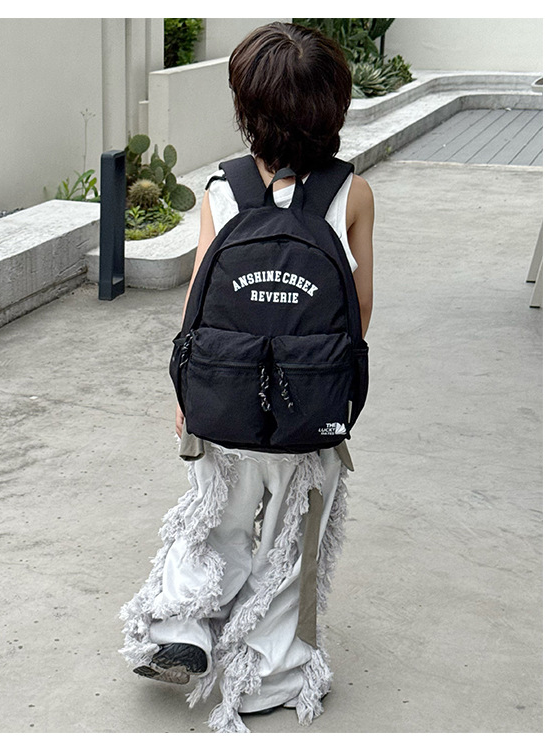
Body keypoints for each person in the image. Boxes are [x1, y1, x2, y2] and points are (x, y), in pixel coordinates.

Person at [119, 21, 374, 733]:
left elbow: (199, 298)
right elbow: (359, 313)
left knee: (215, 517)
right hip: (308, 411)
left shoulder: (221, 189)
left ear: (246, 110)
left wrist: (186, 392)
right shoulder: (352, 194)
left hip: (224, 399)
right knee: (289, 546)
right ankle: (267, 676)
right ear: (334, 108)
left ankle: (184, 630)